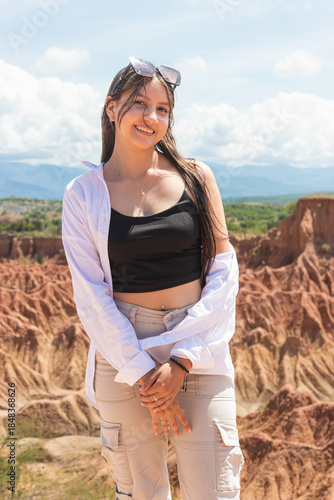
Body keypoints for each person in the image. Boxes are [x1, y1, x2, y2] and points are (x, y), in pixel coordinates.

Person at [62, 57, 244, 500]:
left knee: (216, 491)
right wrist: (145, 374)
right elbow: (91, 297)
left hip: (197, 345)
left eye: (163, 109)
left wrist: (181, 361)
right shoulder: (83, 194)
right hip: (125, 352)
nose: (152, 117)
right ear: (111, 108)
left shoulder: (196, 177)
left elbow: (224, 270)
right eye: (140, 103)